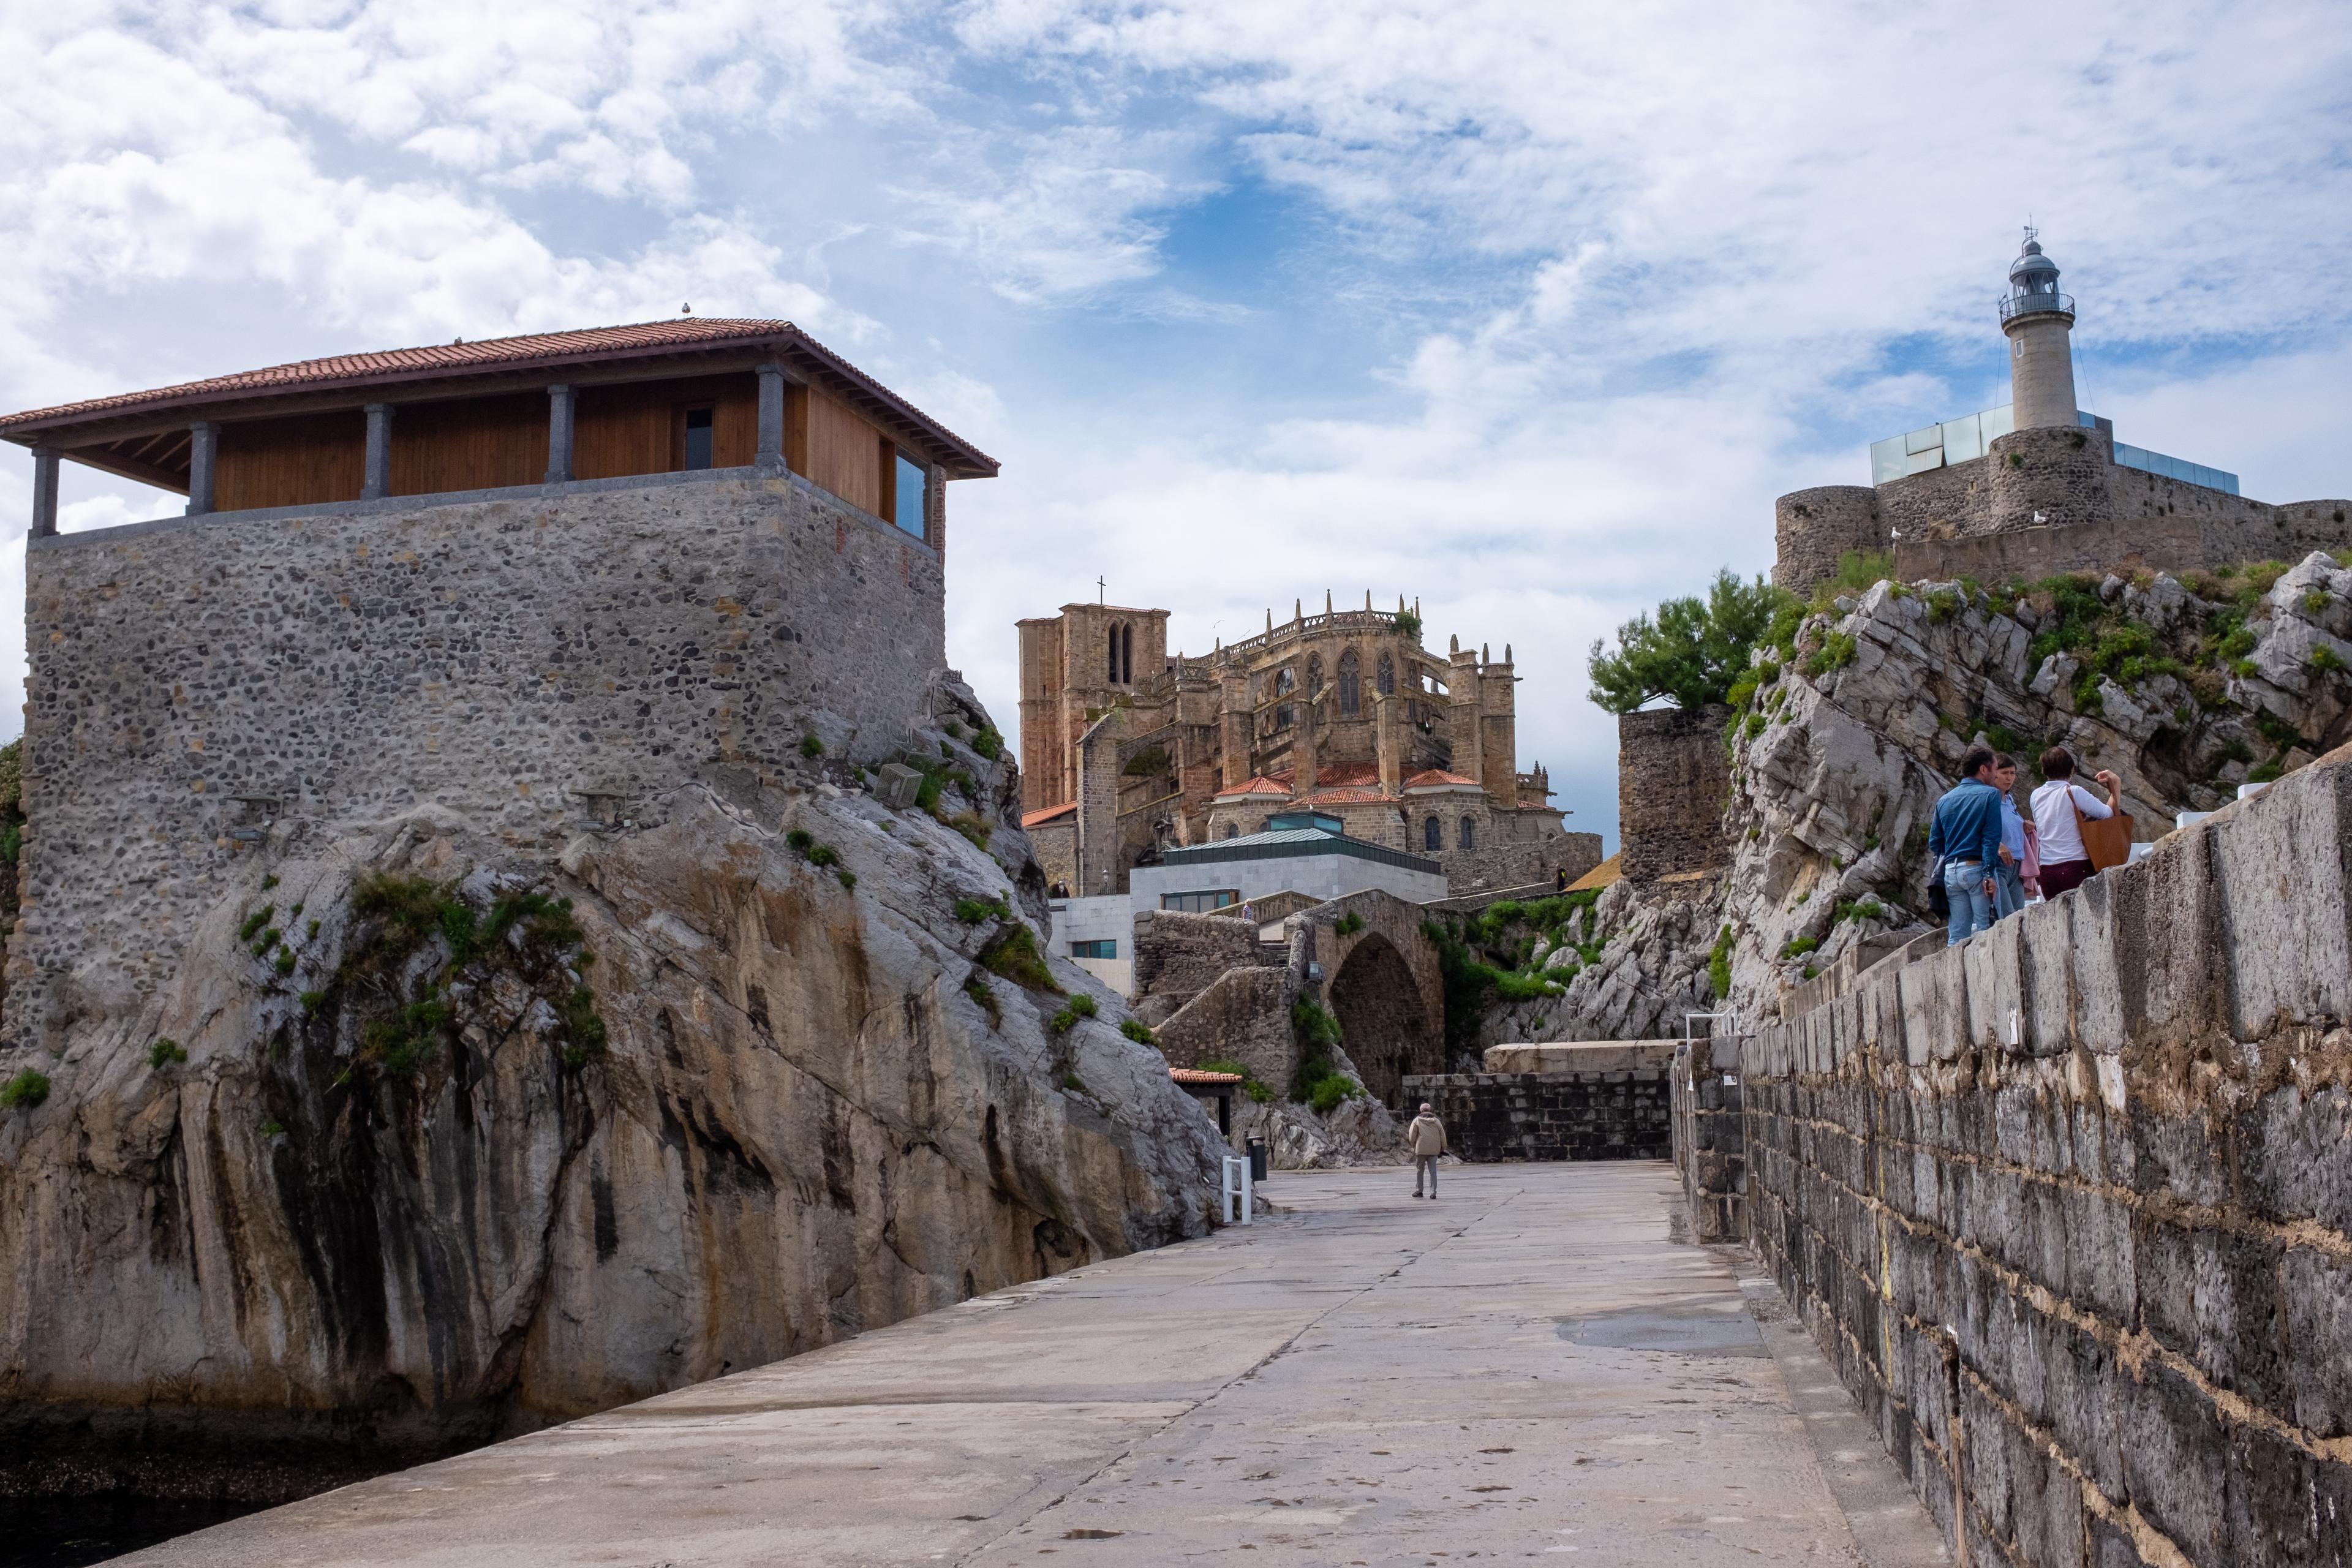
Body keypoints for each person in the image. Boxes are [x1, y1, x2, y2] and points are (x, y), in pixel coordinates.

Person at [1928, 747, 2005, 944]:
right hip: (1977, 868)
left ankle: (1953, 975)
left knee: (1957, 934)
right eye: (1995, 769)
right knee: (1985, 930)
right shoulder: (1990, 795)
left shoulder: (1944, 800)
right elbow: (1991, 839)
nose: (1997, 774)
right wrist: (1988, 874)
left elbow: (1935, 842)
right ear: (1984, 769)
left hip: (1951, 873)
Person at [2030, 747, 2121, 899]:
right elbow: (2107, 814)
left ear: (2044, 770)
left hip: (2047, 870)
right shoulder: (2074, 791)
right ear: (2071, 769)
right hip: (2075, 865)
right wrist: (2116, 785)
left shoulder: (2035, 796)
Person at [1991, 754, 2032, 918]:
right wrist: (1998, 845)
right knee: (2007, 918)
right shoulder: (1988, 799)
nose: (2009, 778)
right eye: (2005, 773)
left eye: (2012, 773)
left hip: (2017, 865)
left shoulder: (2010, 800)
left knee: (2020, 917)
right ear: (1994, 773)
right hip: (1999, 864)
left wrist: (2025, 826)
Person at [1406, 1102, 1447, 1199]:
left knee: (1420, 1170)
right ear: (1430, 1110)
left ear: (1421, 1110)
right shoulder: (1437, 1121)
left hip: (1421, 1149)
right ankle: (1433, 1192)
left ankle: (1419, 1191)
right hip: (1434, 1149)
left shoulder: (1417, 1121)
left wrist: (1414, 1145)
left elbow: (1412, 1136)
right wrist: (1442, 1148)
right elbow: (1442, 1135)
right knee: (1433, 1171)